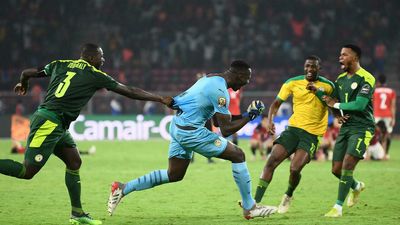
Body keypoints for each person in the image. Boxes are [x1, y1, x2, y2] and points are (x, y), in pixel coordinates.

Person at [0, 43, 173, 225]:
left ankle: (77, 213)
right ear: (91, 58)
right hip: (49, 123)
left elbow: (27, 73)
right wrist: (159, 98)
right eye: (100, 56)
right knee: (27, 171)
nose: (103, 59)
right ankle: (77, 213)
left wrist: (23, 84)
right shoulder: (94, 75)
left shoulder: (60, 63)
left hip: (57, 124)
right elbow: (129, 91)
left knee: (74, 161)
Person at [107, 60, 278, 219]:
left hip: (178, 126)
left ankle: (122, 188)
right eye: (246, 79)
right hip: (191, 132)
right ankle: (250, 207)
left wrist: (247, 114)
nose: (246, 83)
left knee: (174, 174)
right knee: (238, 154)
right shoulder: (220, 92)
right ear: (238, 75)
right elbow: (226, 130)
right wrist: (249, 117)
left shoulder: (212, 78)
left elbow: (219, 121)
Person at [253, 55, 334, 214]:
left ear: (319, 68)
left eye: (313, 67)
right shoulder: (292, 82)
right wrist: (270, 120)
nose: (310, 69)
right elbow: (276, 104)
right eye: (307, 66)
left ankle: (288, 195)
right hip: (292, 130)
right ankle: (254, 203)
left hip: (312, 134)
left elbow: (334, 104)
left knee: (295, 168)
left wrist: (338, 115)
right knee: (271, 162)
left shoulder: (328, 85)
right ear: (304, 67)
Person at [323, 44, 375, 217]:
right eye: (340, 55)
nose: (340, 58)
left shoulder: (366, 78)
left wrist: (335, 104)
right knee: (336, 169)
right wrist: (337, 113)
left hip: (362, 127)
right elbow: (331, 100)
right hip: (346, 127)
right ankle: (356, 186)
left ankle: (337, 207)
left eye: (344, 55)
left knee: (347, 165)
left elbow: (360, 105)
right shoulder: (340, 79)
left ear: (355, 57)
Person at [372, 74, 396, 159]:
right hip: (387, 115)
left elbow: (371, 104)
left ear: (378, 81)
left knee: (374, 133)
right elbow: (392, 106)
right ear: (386, 81)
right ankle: (385, 154)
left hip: (377, 114)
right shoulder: (391, 91)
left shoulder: (375, 91)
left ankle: (376, 153)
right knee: (387, 134)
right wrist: (393, 118)